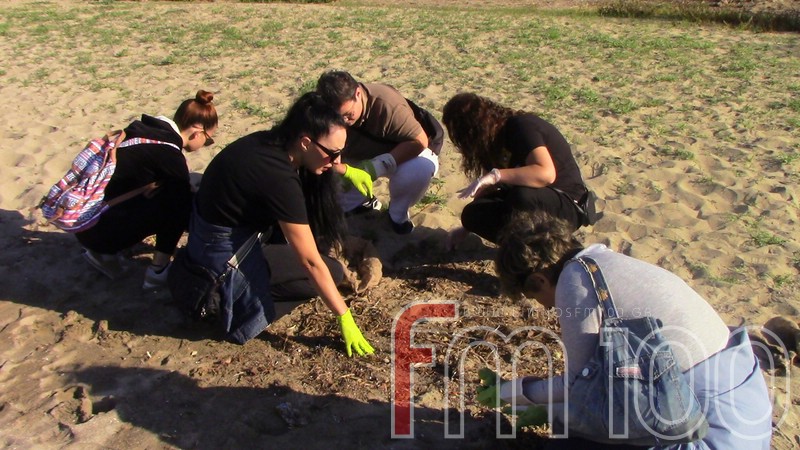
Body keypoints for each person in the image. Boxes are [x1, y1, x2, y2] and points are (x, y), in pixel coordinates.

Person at [488, 211, 772, 449]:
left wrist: (513, 392)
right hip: (747, 418)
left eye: (536, 297)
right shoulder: (606, 261)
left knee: (568, 441)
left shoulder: (576, 281)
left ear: (539, 279)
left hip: (705, 433)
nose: (548, 307)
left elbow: (576, 386)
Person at [186, 91, 374, 355]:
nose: (336, 161)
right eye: (333, 154)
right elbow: (310, 262)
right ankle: (240, 304)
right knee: (331, 271)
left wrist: (344, 170)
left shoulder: (269, 143)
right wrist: (344, 316)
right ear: (305, 142)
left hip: (208, 238)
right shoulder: (279, 178)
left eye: (341, 153)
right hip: (221, 260)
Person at [77, 90, 218, 289]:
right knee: (182, 203)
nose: (205, 144)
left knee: (174, 190)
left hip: (83, 221)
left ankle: (101, 253)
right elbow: (179, 202)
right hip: (100, 234)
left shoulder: (141, 130)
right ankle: (158, 271)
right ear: (197, 131)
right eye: (208, 139)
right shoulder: (169, 154)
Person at [441, 92, 589, 247]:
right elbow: (488, 190)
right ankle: (525, 248)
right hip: (530, 204)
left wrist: (496, 175)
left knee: (522, 197)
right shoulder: (491, 142)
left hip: (568, 204)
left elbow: (545, 174)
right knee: (472, 213)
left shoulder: (521, 126)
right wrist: (467, 227)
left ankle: (559, 245)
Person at [316, 70, 444, 234]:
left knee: (419, 169)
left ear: (358, 94)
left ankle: (397, 214)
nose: (343, 122)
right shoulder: (320, 109)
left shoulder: (387, 104)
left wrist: (377, 167)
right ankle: (362, 203)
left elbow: (419, 141)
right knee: (327, 194)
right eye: (337, 117)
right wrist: (342, 169)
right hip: (354, 157)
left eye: (348, 115)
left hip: (402, 154)